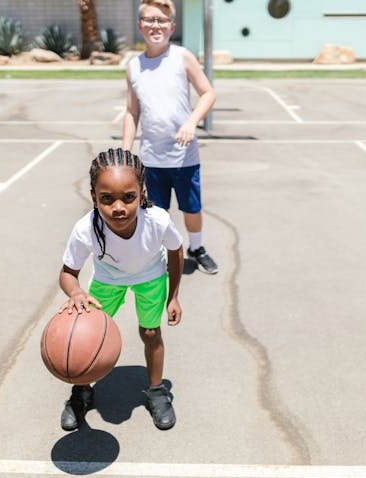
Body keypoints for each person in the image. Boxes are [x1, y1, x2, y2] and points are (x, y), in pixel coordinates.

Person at [58, 147, 184, 431]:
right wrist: (76, 293)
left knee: (151, 332)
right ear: (94, 197)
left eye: (128, 197)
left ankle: (156, 390)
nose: (118, 207)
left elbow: (176, 252)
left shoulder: (157, 221)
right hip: (108, 279)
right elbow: (68, 273)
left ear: (141, 192)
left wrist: (173, 296)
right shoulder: (85, 229)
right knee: (83, 336)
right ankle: (81, 391)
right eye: (107, 199)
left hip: (150, 276)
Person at [122, 0, 218, 274]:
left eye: (162, 20)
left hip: (184, 156)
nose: (156, 25)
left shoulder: (181, 56)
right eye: (150, 20)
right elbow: (132, 111)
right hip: (152, 158)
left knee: (191, 209)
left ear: (172, 26)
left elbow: (208, 93)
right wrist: (126, 153)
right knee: (155, 214)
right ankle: (158, 255)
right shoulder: (133, 67)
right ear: (140, 25)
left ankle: (196, 248)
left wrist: (191, 122)